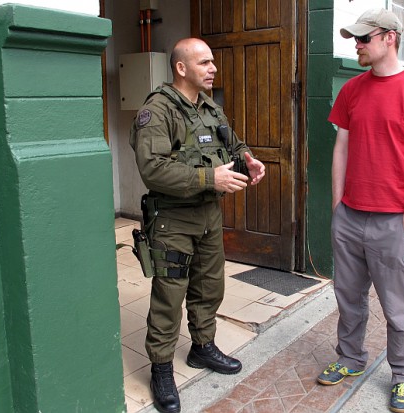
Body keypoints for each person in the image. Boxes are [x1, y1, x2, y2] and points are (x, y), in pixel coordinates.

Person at [316, 8, 404, 413]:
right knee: (348, 298)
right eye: (355, 39)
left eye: (363, 38)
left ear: (389, 37)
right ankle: (350, 359)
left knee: (398, 307)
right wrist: (338, 204)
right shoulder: (352, 90)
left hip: (393, 221)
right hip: (351, 215)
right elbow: (341, 147)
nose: (357, 45)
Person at [129, 38, 265, 413]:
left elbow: (234, 146)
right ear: (181, 68)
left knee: (209, 286)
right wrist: (210, 179)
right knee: (169, 295)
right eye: (204, 63)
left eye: (212, 63)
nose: (213, 69)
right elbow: (152, 168)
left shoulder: (210, 108)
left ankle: (202, 348)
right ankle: (160, 368)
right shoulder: (157, 110)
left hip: (208, 217)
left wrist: (248, 160)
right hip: (172, 220)